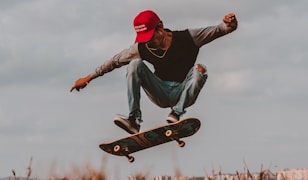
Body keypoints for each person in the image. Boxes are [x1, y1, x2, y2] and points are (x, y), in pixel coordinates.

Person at [70, 10, 238, 134]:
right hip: (160, 92)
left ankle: (177, 113)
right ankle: (133, 120)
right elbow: (114, 61)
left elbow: (221, 29)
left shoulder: (189, 38)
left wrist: (229, 23)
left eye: (151, 37)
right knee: (134, 64)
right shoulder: (142, 48)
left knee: (200, 69)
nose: (149, 43)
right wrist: (89, 77)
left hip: (184, 91)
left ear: (160, 27)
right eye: (145, 39)